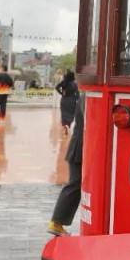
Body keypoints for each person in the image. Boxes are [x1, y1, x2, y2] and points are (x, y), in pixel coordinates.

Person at [48, 94, 84, 236]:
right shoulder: (89, 97)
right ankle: (56, 223)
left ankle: (57, 222)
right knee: (74, 184)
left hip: (78, 146)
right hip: (80, 148)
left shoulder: (84, 96)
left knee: (75, 184)